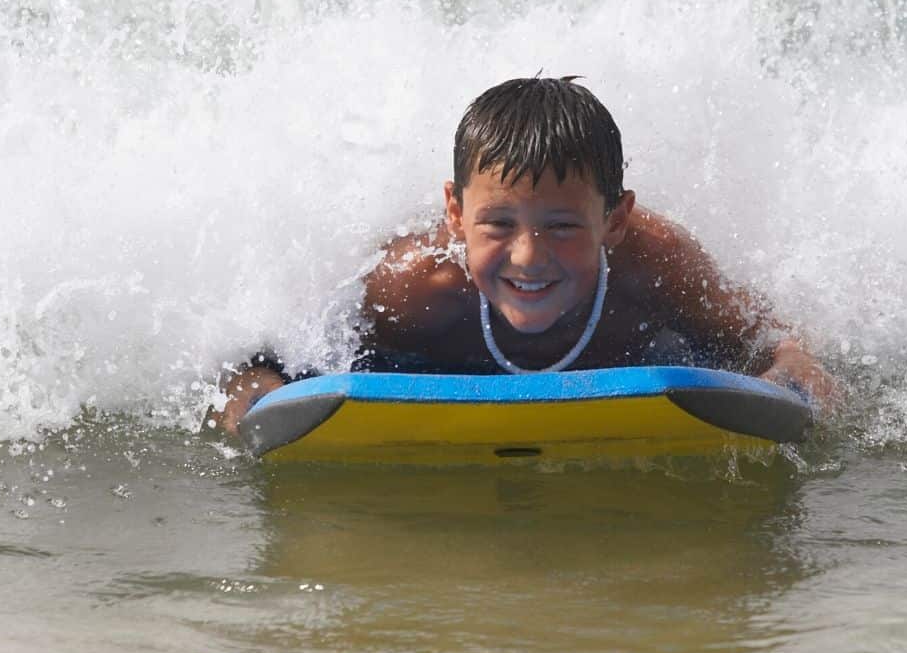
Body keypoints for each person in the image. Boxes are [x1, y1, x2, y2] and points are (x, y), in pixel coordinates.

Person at [218, 76, 836, 436]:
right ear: (456, 215)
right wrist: (254, 394)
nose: (528, 255)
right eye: (498, 224)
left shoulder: (655, 262)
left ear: (614, 220)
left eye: (563, 225)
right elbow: (281, 358)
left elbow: (767, 336)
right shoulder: (415, 286)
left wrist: (793, 374)